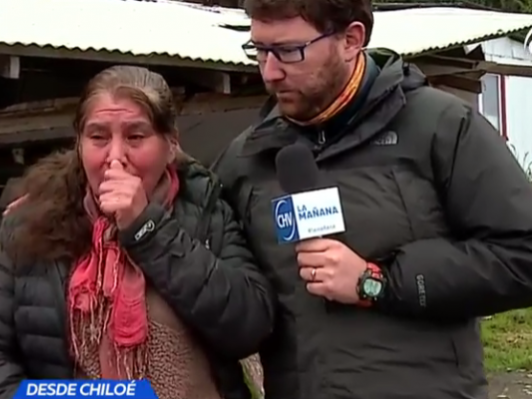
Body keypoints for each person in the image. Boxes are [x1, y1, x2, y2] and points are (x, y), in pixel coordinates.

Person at [208, 0, 532, 398]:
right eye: (259, 50)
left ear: (351, 39)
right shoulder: (246, 159)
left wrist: (377, 282)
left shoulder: (440, 128)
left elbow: (523, 256)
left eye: (289, 52)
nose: (270, 72)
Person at [0, 65, 274, 399]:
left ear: (170, 146)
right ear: (79, 144)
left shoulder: (208, 208)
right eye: (98, 137)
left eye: (135, 137)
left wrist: (147, 228)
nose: (115, 158)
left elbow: (250, 327)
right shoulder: (31, 223)